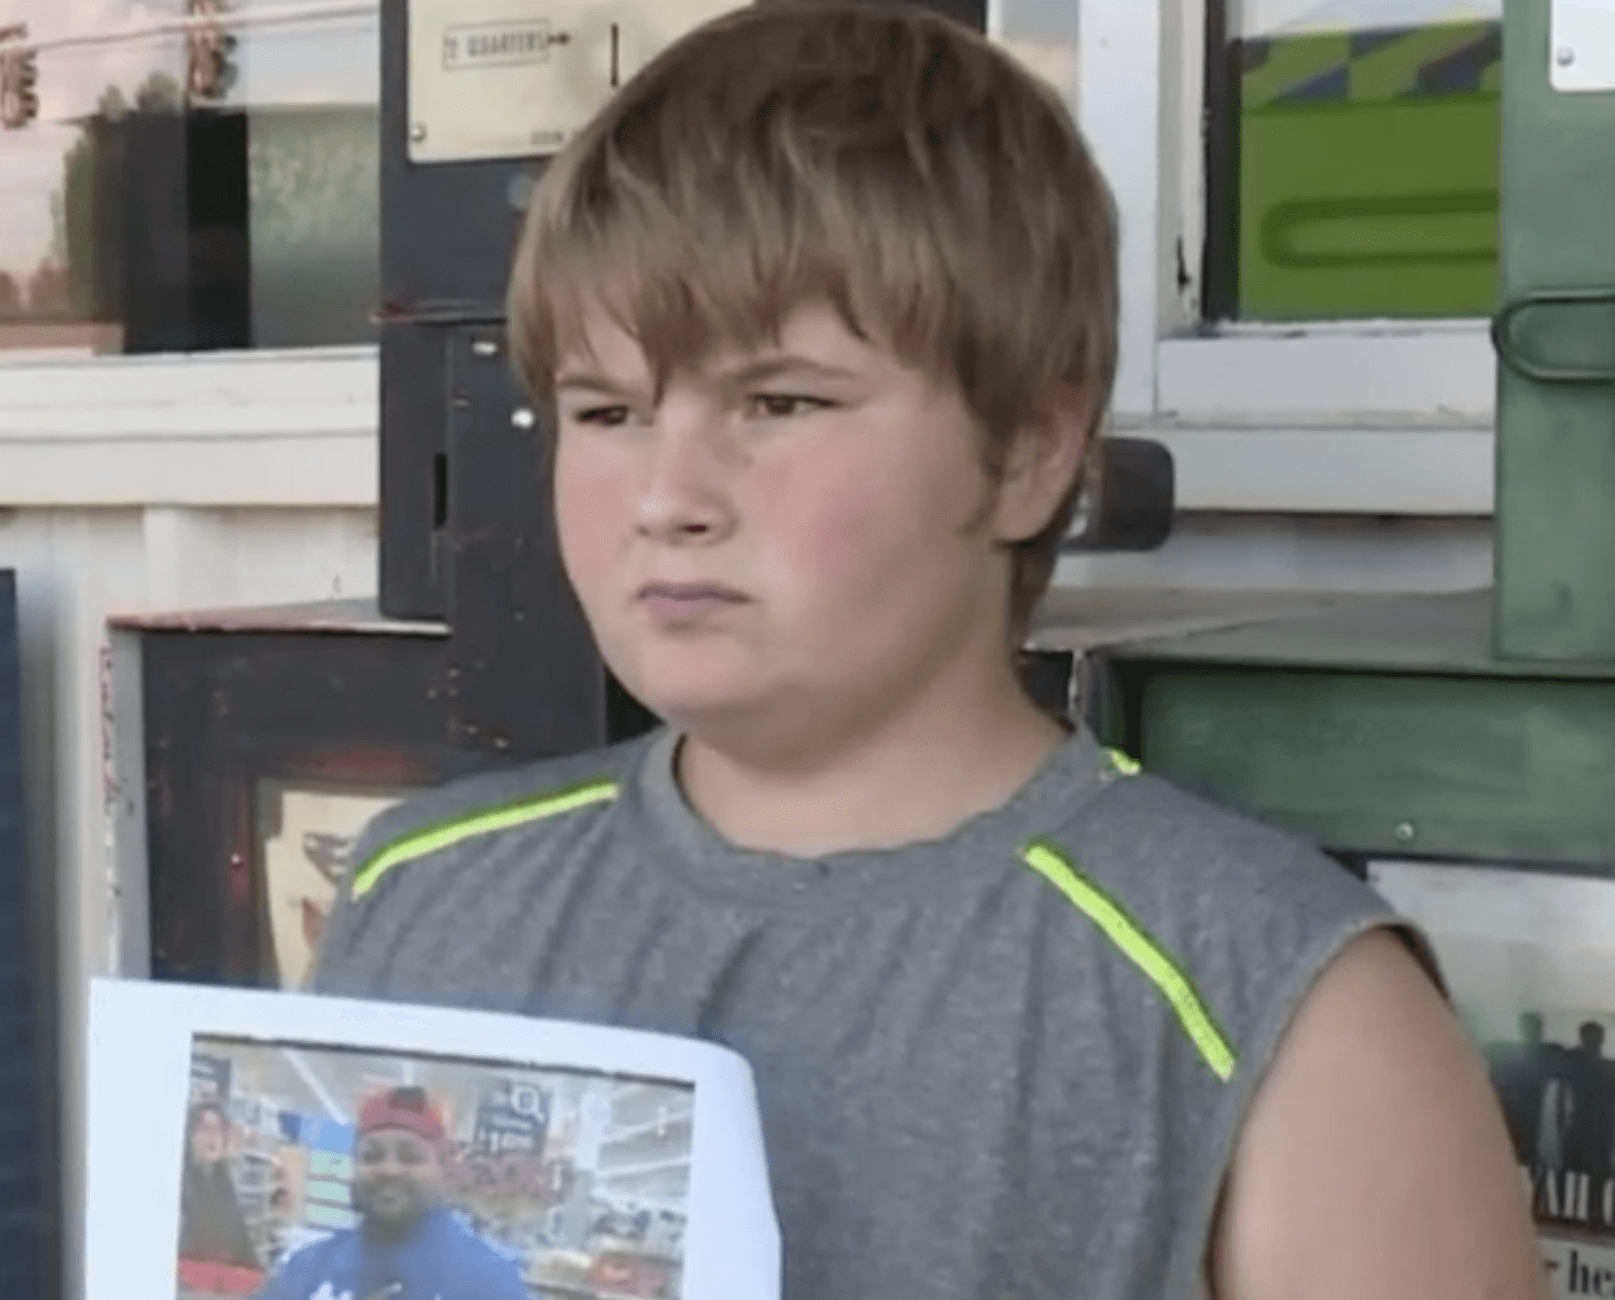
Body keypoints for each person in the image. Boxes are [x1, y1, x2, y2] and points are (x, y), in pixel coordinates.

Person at [309, 3, 1547, 1297]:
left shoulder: (1276, 1001)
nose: (666, 493)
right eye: (606, 410)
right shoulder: (422, 894)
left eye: (777, 401)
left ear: (1024, 451)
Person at [257, 1088, 532, 1300]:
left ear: (443, 1168)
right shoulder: (305, 1272)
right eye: (372, 1156)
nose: (389, 1169)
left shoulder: (492, 1283)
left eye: (409, 1156)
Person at [180, 1101, 262, 1270]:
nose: (215, 1137)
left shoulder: (223, 1182)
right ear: (190, 1133)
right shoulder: (180, 1180)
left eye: (220, 1131)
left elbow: (238, 1235)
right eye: (206, 1129)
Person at [1486, 1012, 1565, 1170]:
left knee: (1521, 1145)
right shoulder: (1541, 1053)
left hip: (1523, 1110)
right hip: (1516, 1110)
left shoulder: (1541, 1053)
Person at [1556, 1021, 1615, 1183]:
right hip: (1587, 1129)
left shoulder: (1608, 1069)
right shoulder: (1579, 1064)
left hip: (1596, 1131)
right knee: (1580, 1177)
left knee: (1586, 1178)